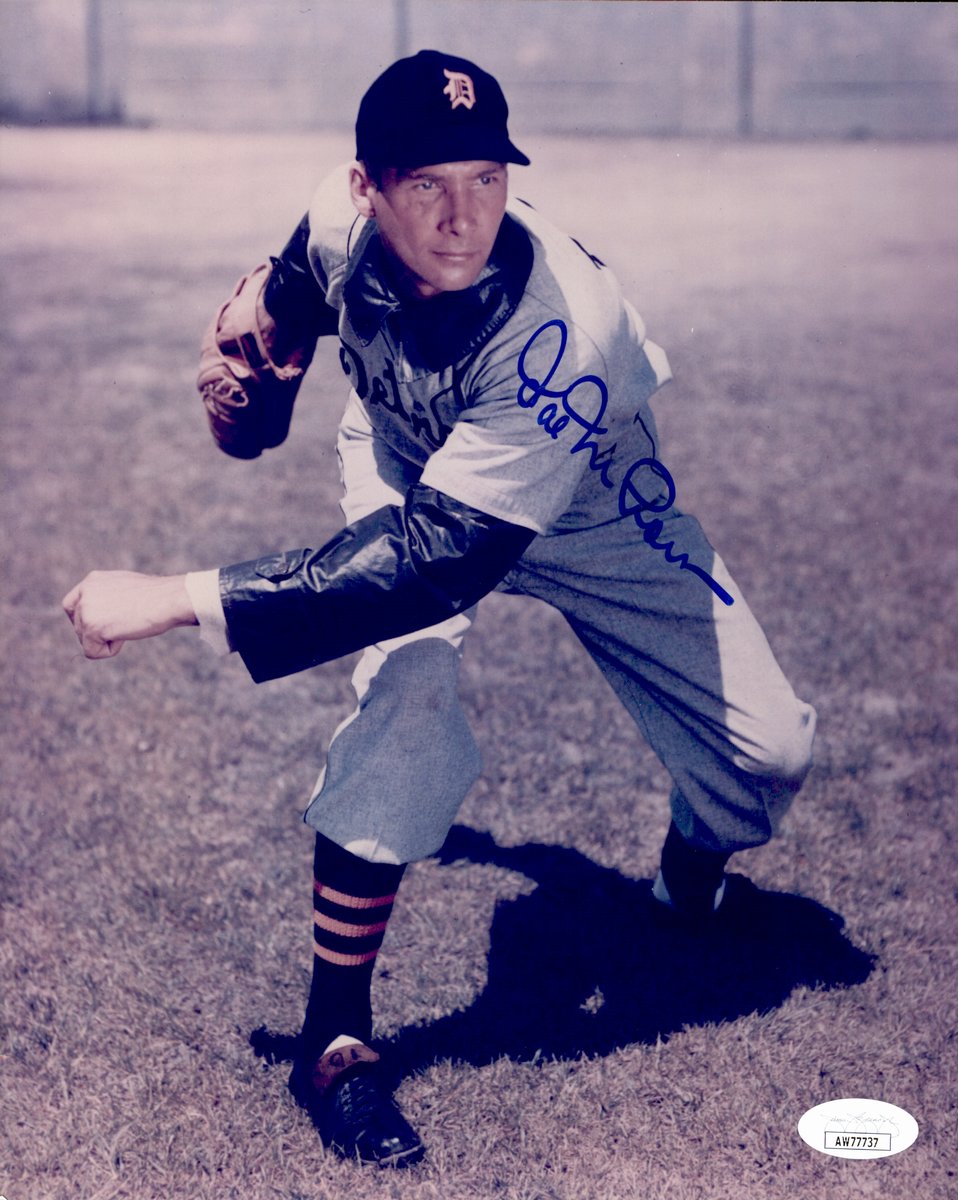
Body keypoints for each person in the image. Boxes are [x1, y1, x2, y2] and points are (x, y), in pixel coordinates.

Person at [62, 50, 816, 1170]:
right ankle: (336, 1045)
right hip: (411, 465)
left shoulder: (569, 333)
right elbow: (280, 323)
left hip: (588, 497)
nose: (462, 216)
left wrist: (177, 598)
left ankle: (685, 887)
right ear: (365, 184)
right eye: (425, 184)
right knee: (405, 699)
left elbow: (434, 563)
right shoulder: (332, 218)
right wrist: (255, 366)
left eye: (486, 177)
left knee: (771, 748)